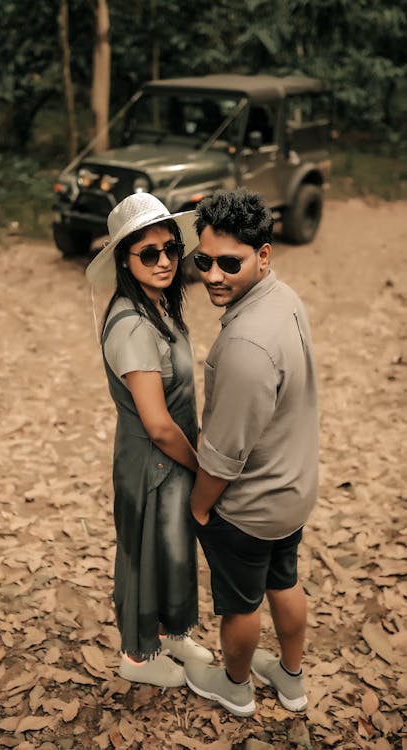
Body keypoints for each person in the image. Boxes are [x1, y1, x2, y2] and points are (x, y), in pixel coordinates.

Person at [185, 189, 318, 717]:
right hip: (292, 490)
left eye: (229, 263)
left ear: (263, 255)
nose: (213, 275)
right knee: (284, 580)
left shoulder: (245, 346)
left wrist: (199, 506)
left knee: (241, 604)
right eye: (204, 261)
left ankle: (235, 687)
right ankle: (291, 680)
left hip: (250, 507)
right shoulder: (284, 297)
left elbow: (223, 453)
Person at [85, 192, 214, 688]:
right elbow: (158, 424)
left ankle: (174, 632)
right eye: (148, 253)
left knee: (176, 549)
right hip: (154, 459)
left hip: (174, 456)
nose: (164, 261)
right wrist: (203, 465)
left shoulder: (157, 304)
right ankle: (137, 655)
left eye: (170, 249)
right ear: (124, 259)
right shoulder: (134, 326)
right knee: (146, 552)